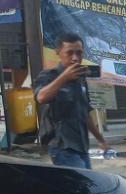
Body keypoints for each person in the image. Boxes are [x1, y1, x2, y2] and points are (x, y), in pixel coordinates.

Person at [33, 33, 108, 169]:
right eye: (70, 53)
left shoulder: (80, 79)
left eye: (79, 53)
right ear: (58, 52)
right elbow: (41, 97)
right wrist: (64, 77)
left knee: (83, 185)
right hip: (62, 146)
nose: (75, 58)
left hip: (82, 146)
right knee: (81, 186)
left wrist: (101, 140)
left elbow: (84, 113)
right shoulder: (49, 75)